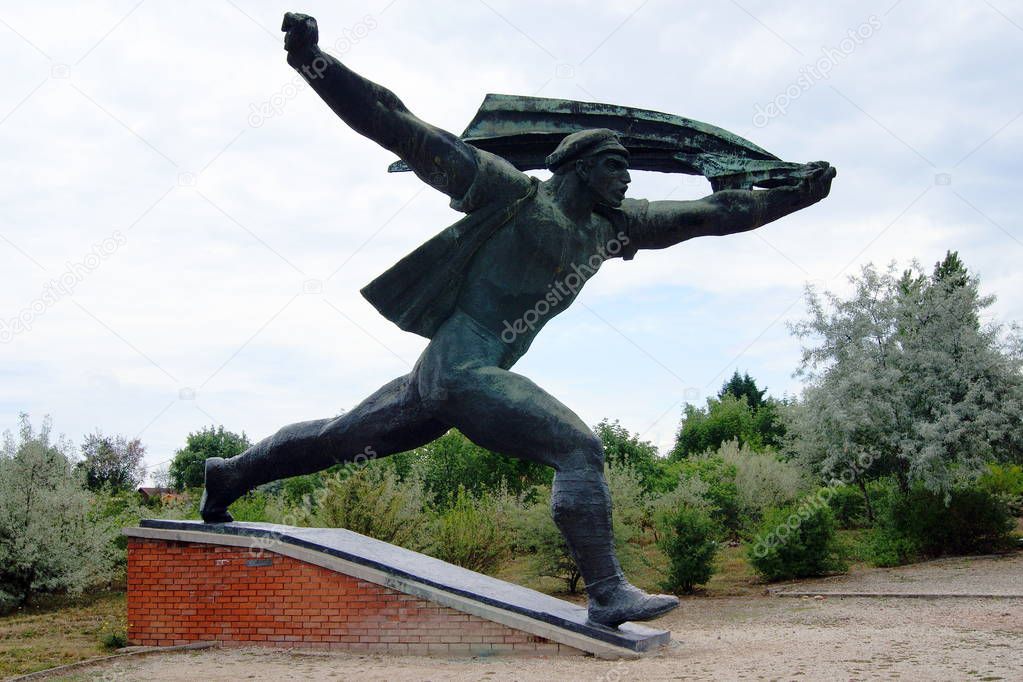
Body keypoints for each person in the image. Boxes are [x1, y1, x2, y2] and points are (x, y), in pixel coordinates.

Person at [200, 12, 837, 628]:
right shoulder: (512, 193)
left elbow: (713, 212)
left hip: (442, 377)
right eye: (617, 165)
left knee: (335, 438)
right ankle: (608, 593)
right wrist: (317, 63)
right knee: (578, 449)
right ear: (580, 166)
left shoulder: (612, 229)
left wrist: (792, 196)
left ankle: (228, 475)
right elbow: (399, 123)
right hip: (464, 369)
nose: (627, 178)